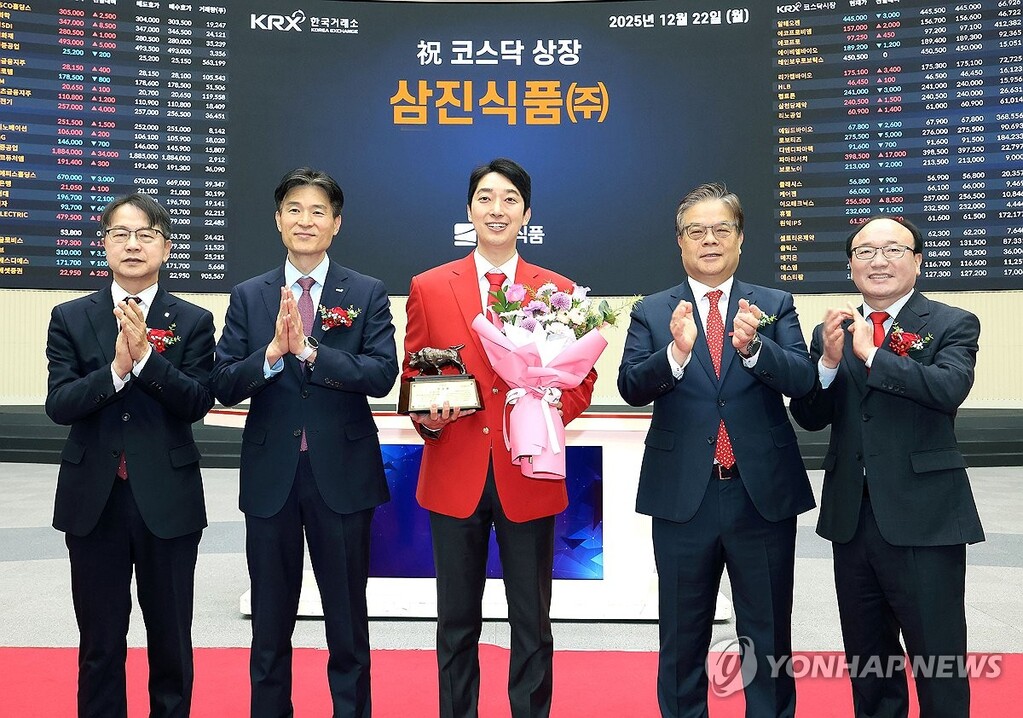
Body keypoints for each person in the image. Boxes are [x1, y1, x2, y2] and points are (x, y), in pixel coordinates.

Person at [403, 158, 596, 718]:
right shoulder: (429, 286)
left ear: (526, 213)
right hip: (455, 472)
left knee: (531, 622)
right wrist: (429, 417)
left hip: (527, 473)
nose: (496, 209)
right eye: (485, 198)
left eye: (509, 199)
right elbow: (412, 374)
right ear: (469, 209)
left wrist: (549, 406)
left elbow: (581, 379)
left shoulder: (557, 290)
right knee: (455, 623)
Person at [617, 182, 816, 717]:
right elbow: (631, 386)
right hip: (685, 496)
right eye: (696, 231)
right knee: (682, 635)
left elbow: (803, 380)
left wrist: (756, 349)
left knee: (767, 635)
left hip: (760, 496)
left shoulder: (773, 304)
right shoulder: (652, 311)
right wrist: (675, 354)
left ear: (740, 238)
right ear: (680, 242)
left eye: (721, 229)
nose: (709, 240)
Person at [210, 167, 398, 717]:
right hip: (272, 476)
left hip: (343, 474)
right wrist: (272, 354)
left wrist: (312, 352)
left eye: (318, 211)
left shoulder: (365, 292)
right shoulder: (249, 295)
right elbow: (224, 382)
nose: (305, 220)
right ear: (278, 219)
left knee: (347, 622)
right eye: (294, 209)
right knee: (270, 622)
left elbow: (381, 374)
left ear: (336, 223)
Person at [789, 216, 984, 718]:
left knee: (938, 658)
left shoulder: (952, 322)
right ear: (850, 266)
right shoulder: (831, 331)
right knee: (869, 659)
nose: (878, 261)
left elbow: (948, 388)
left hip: (925, 517)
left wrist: (874, 355)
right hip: (852, 519)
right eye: (865, 252)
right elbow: (809, 417)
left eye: (893, 249)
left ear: (917, 261)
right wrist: (828, 363)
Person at [45, 193, 215, 717]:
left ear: (166, 247)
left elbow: (196, 401)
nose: (133, 244)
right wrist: (117, 371)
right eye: (120, 234)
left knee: (171, 641)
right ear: (105, 245)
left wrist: (145, 362)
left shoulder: (193, 320)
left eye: (146, 235)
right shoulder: (70, 317)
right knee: (99, 643)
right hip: (93, 501)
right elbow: (60, 405)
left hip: (167, 500)